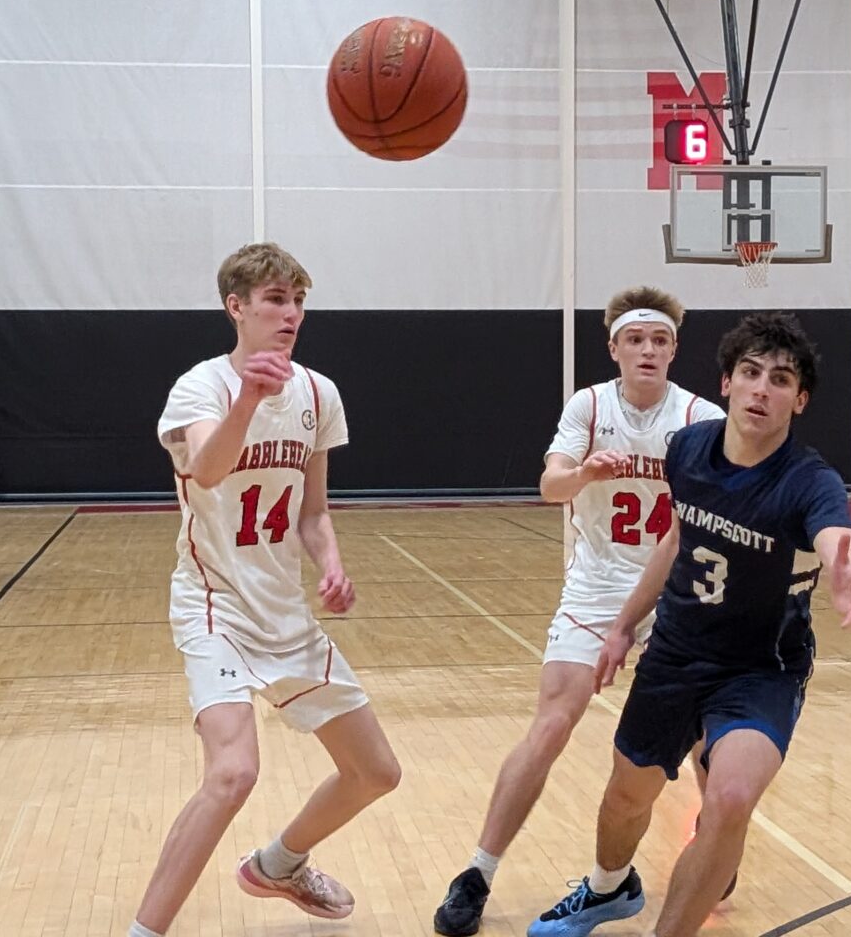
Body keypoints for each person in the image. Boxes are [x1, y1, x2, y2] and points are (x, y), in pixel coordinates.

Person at [528, 312, 851, 937]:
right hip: (677, 652)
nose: (761, 389)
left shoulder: (808, 480)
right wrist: (622, 626)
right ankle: (607, 888)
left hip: (760, 669)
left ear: (800, 399)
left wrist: (846, 566)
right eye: (750, 373)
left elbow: (834, 531)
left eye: (780, 378)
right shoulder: (689, 449)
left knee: (732, 796)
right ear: (726, 384)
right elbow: (675, 539)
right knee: (627, 796)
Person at [129, 243, 401, 937]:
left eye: (298, 301)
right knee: (232, 775)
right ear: (237, 308)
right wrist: (249, 399)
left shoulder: (317, 393)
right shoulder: (201, 388)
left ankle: (278, 864)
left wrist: (330, 565)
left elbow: (312, 510)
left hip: (285, 614)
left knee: (375, 772)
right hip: (214, 607)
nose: (290, 313)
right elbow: (210, 471)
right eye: (276, 300)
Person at [434, 287, 723, 936]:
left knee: (706, 737)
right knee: (551, 725)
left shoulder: (701, 416)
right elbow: (548, 486)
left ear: (673, 350)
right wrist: (586, 472)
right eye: (635, 339)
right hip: (596, 588)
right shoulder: (589, 405)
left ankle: (713, 841)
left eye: (659, 341)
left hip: (675, 593)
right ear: (614, 347)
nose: (647, 350)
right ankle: (478, 873)